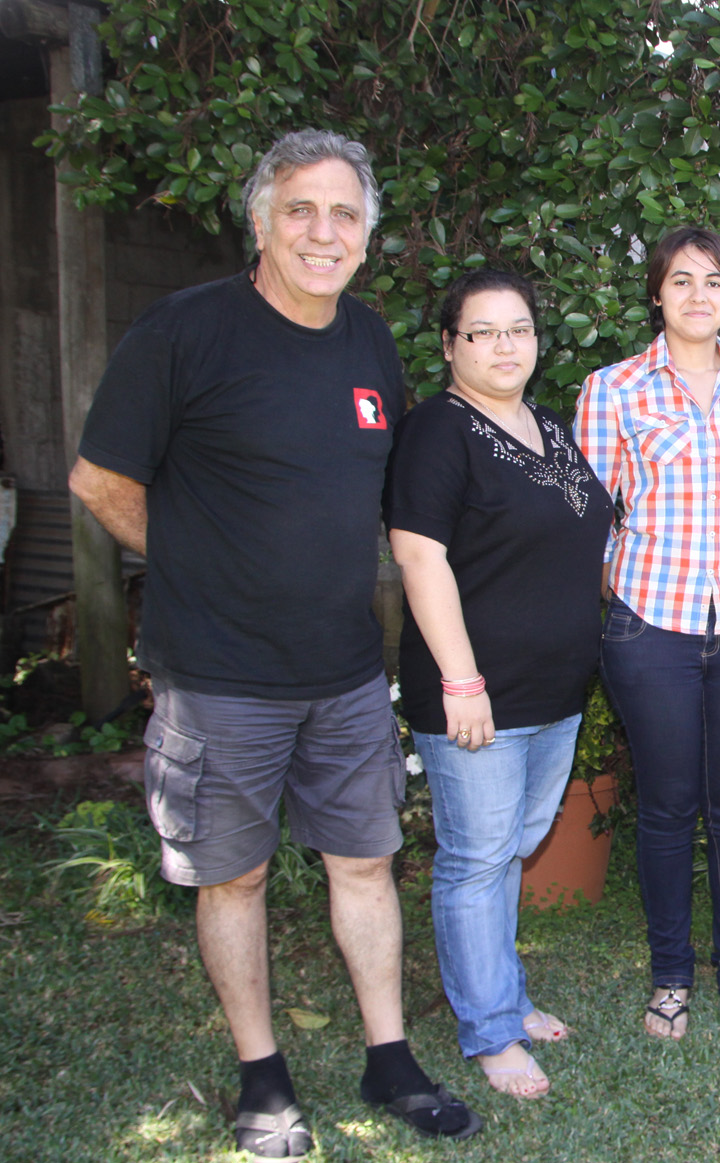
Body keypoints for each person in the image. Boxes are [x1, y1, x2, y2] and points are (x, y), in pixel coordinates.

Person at [67, 129, 480, 1158]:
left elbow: (387, 498)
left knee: (365, 860)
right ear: (260, 220)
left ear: (367, 236)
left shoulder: (370, 342)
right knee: (234, 875)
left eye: (343, 213)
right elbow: (99, 480)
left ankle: (390, 1056)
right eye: (299, 208)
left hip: (344, 668)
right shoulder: (185, 332)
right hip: (216, 676)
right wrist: (200, 559)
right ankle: (263, 1075)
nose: (321, 230)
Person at [385, 270, 613, 1097]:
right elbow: (419, 555)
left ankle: (505, 996)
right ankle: (488, 1030)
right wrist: (461, 678)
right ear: (450, 346)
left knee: (510, 848)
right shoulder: (437, 432)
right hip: (476, 689)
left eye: (517, 328)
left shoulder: (547, 428)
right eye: (481, 331)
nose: (503, 345)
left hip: (553, 688)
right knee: (478, 857)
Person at [573, 226, 720, 1041]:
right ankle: (671, 976)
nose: (698, 295)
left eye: (714, 281)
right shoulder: (613, 388)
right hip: (650, 627)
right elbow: (591, 519)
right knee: (665, 807)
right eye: (680, 280)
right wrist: (623, 602)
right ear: (656, 293)